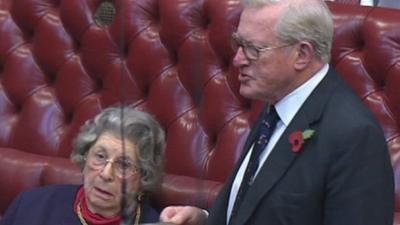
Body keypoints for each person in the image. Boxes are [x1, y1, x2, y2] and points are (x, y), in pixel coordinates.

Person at [160, 0, 394, 225]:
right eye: (239, 44)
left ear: (302, 54)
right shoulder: (277, 103)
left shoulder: (354, 137)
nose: (238, 59)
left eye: (253, 49)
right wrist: (205, 219)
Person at [0, 107, 166, 225]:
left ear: (144, 176)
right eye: (100, 156)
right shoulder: (31, 205)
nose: (106, 174)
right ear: (85, 157)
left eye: (124, 165)